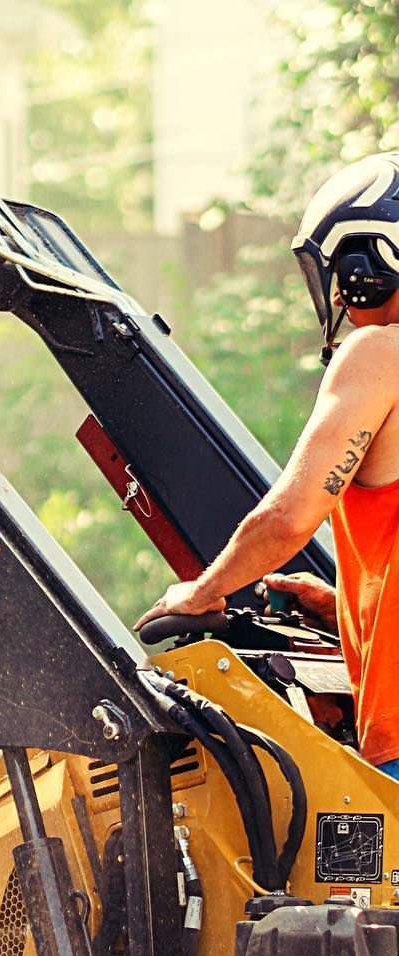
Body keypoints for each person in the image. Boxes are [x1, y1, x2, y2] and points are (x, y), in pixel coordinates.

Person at [135, 152, 399, 780]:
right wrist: (347, 610)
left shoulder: (379, 354)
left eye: (341, 276)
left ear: (369, 267)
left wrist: (207, 589)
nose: (338, 296)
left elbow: (288, 517)